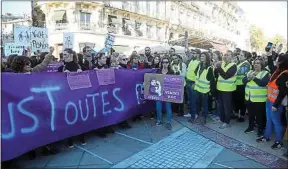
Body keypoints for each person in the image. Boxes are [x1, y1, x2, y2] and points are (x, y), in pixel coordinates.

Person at [257, 53, 288, 150]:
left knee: (276, 122)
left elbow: (282, 92)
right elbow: (270, 64)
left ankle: (279, 141)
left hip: (276, 104)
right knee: (269, 119)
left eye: (277, 60)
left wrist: (275, 105)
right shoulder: (278, 71)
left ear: (282, 62)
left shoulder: (285, 74)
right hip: (269, 100)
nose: (276, 61)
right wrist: (269, 54)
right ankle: (267, 136)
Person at [58, 48, 86, 148]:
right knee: (69, 118)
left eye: (65, 55)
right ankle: (70, 139)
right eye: (62, 54)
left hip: (78, 97)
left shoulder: (80, 66)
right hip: (67, 97)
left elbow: (86, 81)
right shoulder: (60, 68)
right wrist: (63, 75)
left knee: (80, 117)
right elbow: (58, 82)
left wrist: (81, 73)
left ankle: (81, 136)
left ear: (71, 55)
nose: (63, 57)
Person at [243, 58, 269, 137]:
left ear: (262, 65)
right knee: (250, 114)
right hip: (249, 98)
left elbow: (263, 83)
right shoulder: (250, 72)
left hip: (259, 99)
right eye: (255, 63)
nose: (256, 64)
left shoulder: (265, 73)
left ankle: (260, 129)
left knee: (259, 116)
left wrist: (253, 78)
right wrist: (248, 78)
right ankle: (251, 127)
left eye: (258, 63)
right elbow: (243, 81)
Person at [215, 50, 237, 129]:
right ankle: (221, 119)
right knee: (220, 105)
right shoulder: (222, 63)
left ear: (232, 57)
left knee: (226, 106)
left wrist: (218, 68)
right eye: (224, 55)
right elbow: (217, 74)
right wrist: (216, 68)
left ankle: (227, 122)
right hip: (220, 88)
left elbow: (226, 76)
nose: (225, 56)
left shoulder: (233, 65)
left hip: (228, 90)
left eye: (227, 55)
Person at [192, 52, 216, 124]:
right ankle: (196, 116)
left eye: (203, 56)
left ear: (207, 57)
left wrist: (212, 91)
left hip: (204, 90)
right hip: (197, 88)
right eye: (201, 56)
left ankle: (204, 118)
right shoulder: (200, 65)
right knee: (196, 103)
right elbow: (196, 74)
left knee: (204, 105)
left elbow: (212, 81)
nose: (201, 57)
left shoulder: (209, 68)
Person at [154, 57, 176, 130]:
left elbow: (174, 82)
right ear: (161, 63)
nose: (165, 63)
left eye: (166, 62)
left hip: (167, 93)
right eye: (163, 62)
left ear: (169, 63)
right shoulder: (158, 71)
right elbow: (155, 80)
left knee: (168, 108)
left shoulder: (171, 71)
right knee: (158, 108)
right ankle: (159, 120)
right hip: (159, 92)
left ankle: (168, 122)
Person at [233, 50, 252, 122]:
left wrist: (232, 69)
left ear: (245, 57)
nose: (239, 56)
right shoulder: (239, 63)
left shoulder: (246, 64)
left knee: (241, 101)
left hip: (242, 85)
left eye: (241, 55)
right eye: (239, 55)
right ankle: (236, 113)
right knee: (236, 100)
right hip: (236, 84)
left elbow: (239, 72)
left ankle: (242, 116)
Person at [186, 49, 200, 121]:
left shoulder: (199, 62)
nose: (192, 54)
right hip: (188, 82)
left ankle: (194, 116)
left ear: (198, 54)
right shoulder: (191, 61)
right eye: (192, 53)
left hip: (193, 83)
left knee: (193, 100)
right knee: (190, 100)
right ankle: (191, 113)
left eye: (194, 53)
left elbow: (199, 75)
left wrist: (195, 83)